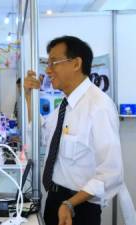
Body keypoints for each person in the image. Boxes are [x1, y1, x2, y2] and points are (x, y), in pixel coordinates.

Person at [24, 36, 123, 225]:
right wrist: (29, 98)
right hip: (56, 201)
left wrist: (70, 203)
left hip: (78, 208)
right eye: (47, 62)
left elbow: (111, 172)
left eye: (54, 62)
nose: (48, 70)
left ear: (76, 63)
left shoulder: (99, 106)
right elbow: (41, 136)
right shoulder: (65, 105)